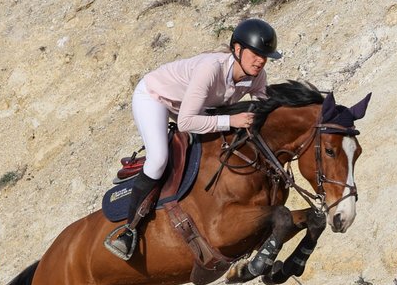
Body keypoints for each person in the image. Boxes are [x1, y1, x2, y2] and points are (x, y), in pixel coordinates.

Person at [104, 17, 281, 261]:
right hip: (155, 97)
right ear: (238, 50)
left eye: (266, 56)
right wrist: (232, 120)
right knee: (158, 160)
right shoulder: (211, 69)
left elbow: (263, 109)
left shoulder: (257, 76)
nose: (261, 61)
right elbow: (187, 122)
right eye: (256, 54)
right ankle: (129, 231)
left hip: (196, 106)